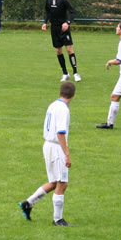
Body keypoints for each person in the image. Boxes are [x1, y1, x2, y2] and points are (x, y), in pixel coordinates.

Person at [19, 81, 75, 227]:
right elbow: (61, 132)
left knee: (54, 182)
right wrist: (67, 154)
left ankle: (28, 203)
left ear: (60, 92)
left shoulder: (53, 105)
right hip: (56, 147)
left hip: (47, 145)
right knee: (62, 183)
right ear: (73, 95)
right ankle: (58, 219)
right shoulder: (63, 109)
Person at [42, 0, 81, 82]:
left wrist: (67, 23)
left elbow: (73, 12)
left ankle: (76, 72)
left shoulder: (63, 0)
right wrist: (45, 22)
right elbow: (47, 12)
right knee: (58, 51)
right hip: (54, 29)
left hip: (64, 29)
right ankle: (65, 73)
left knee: (69, 50)